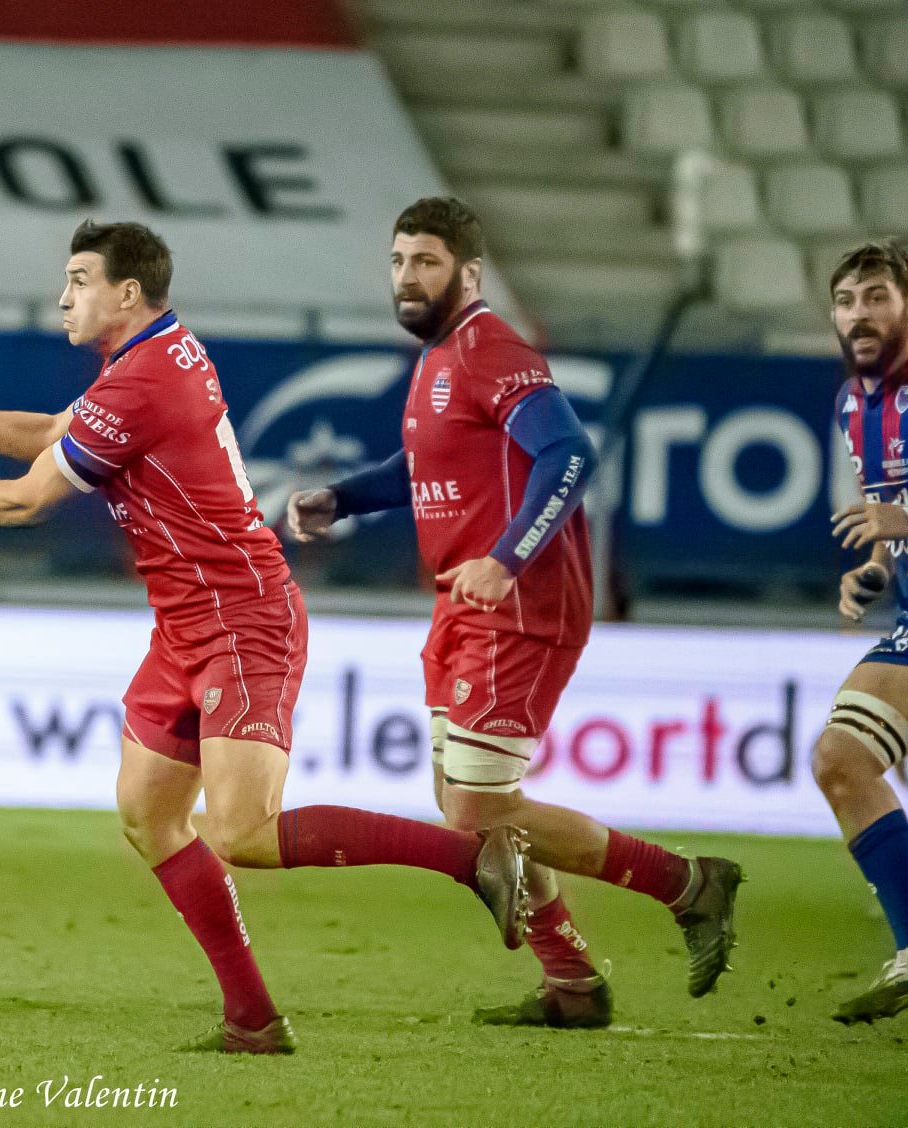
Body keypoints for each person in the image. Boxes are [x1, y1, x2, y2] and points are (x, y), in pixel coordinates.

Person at [0, 219, 530, 1054]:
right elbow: (57, 437)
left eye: (79, 280)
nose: (63, 297)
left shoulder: (144, 380)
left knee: (241, 830)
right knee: (148, 812)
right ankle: (252, 1018)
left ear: (126, 293)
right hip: (186, 625)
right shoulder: (150, 358)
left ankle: (475, 857)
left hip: (242, 617)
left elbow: (27, 499)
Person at [287, 197, 742, 1028]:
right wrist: (343, 497)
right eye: (397, 261)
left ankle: (689, 884)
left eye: (424, 262)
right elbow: (424, 463)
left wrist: (506, 558)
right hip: (462, 602)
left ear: (468, 272)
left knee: (477, 809)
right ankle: (570, 980)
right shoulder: (437, 361)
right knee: (459, 798)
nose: (406, 277)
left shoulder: (492, 347)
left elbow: (571, 452)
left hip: (519, 603)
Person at [816, 240, 908, 1024]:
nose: (860, 314)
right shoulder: (856, 402)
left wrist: (903, 520)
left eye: (876, 296)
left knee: (844, 759)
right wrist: (880, 564)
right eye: (847, 301)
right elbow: (890, 516)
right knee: (843, 763)